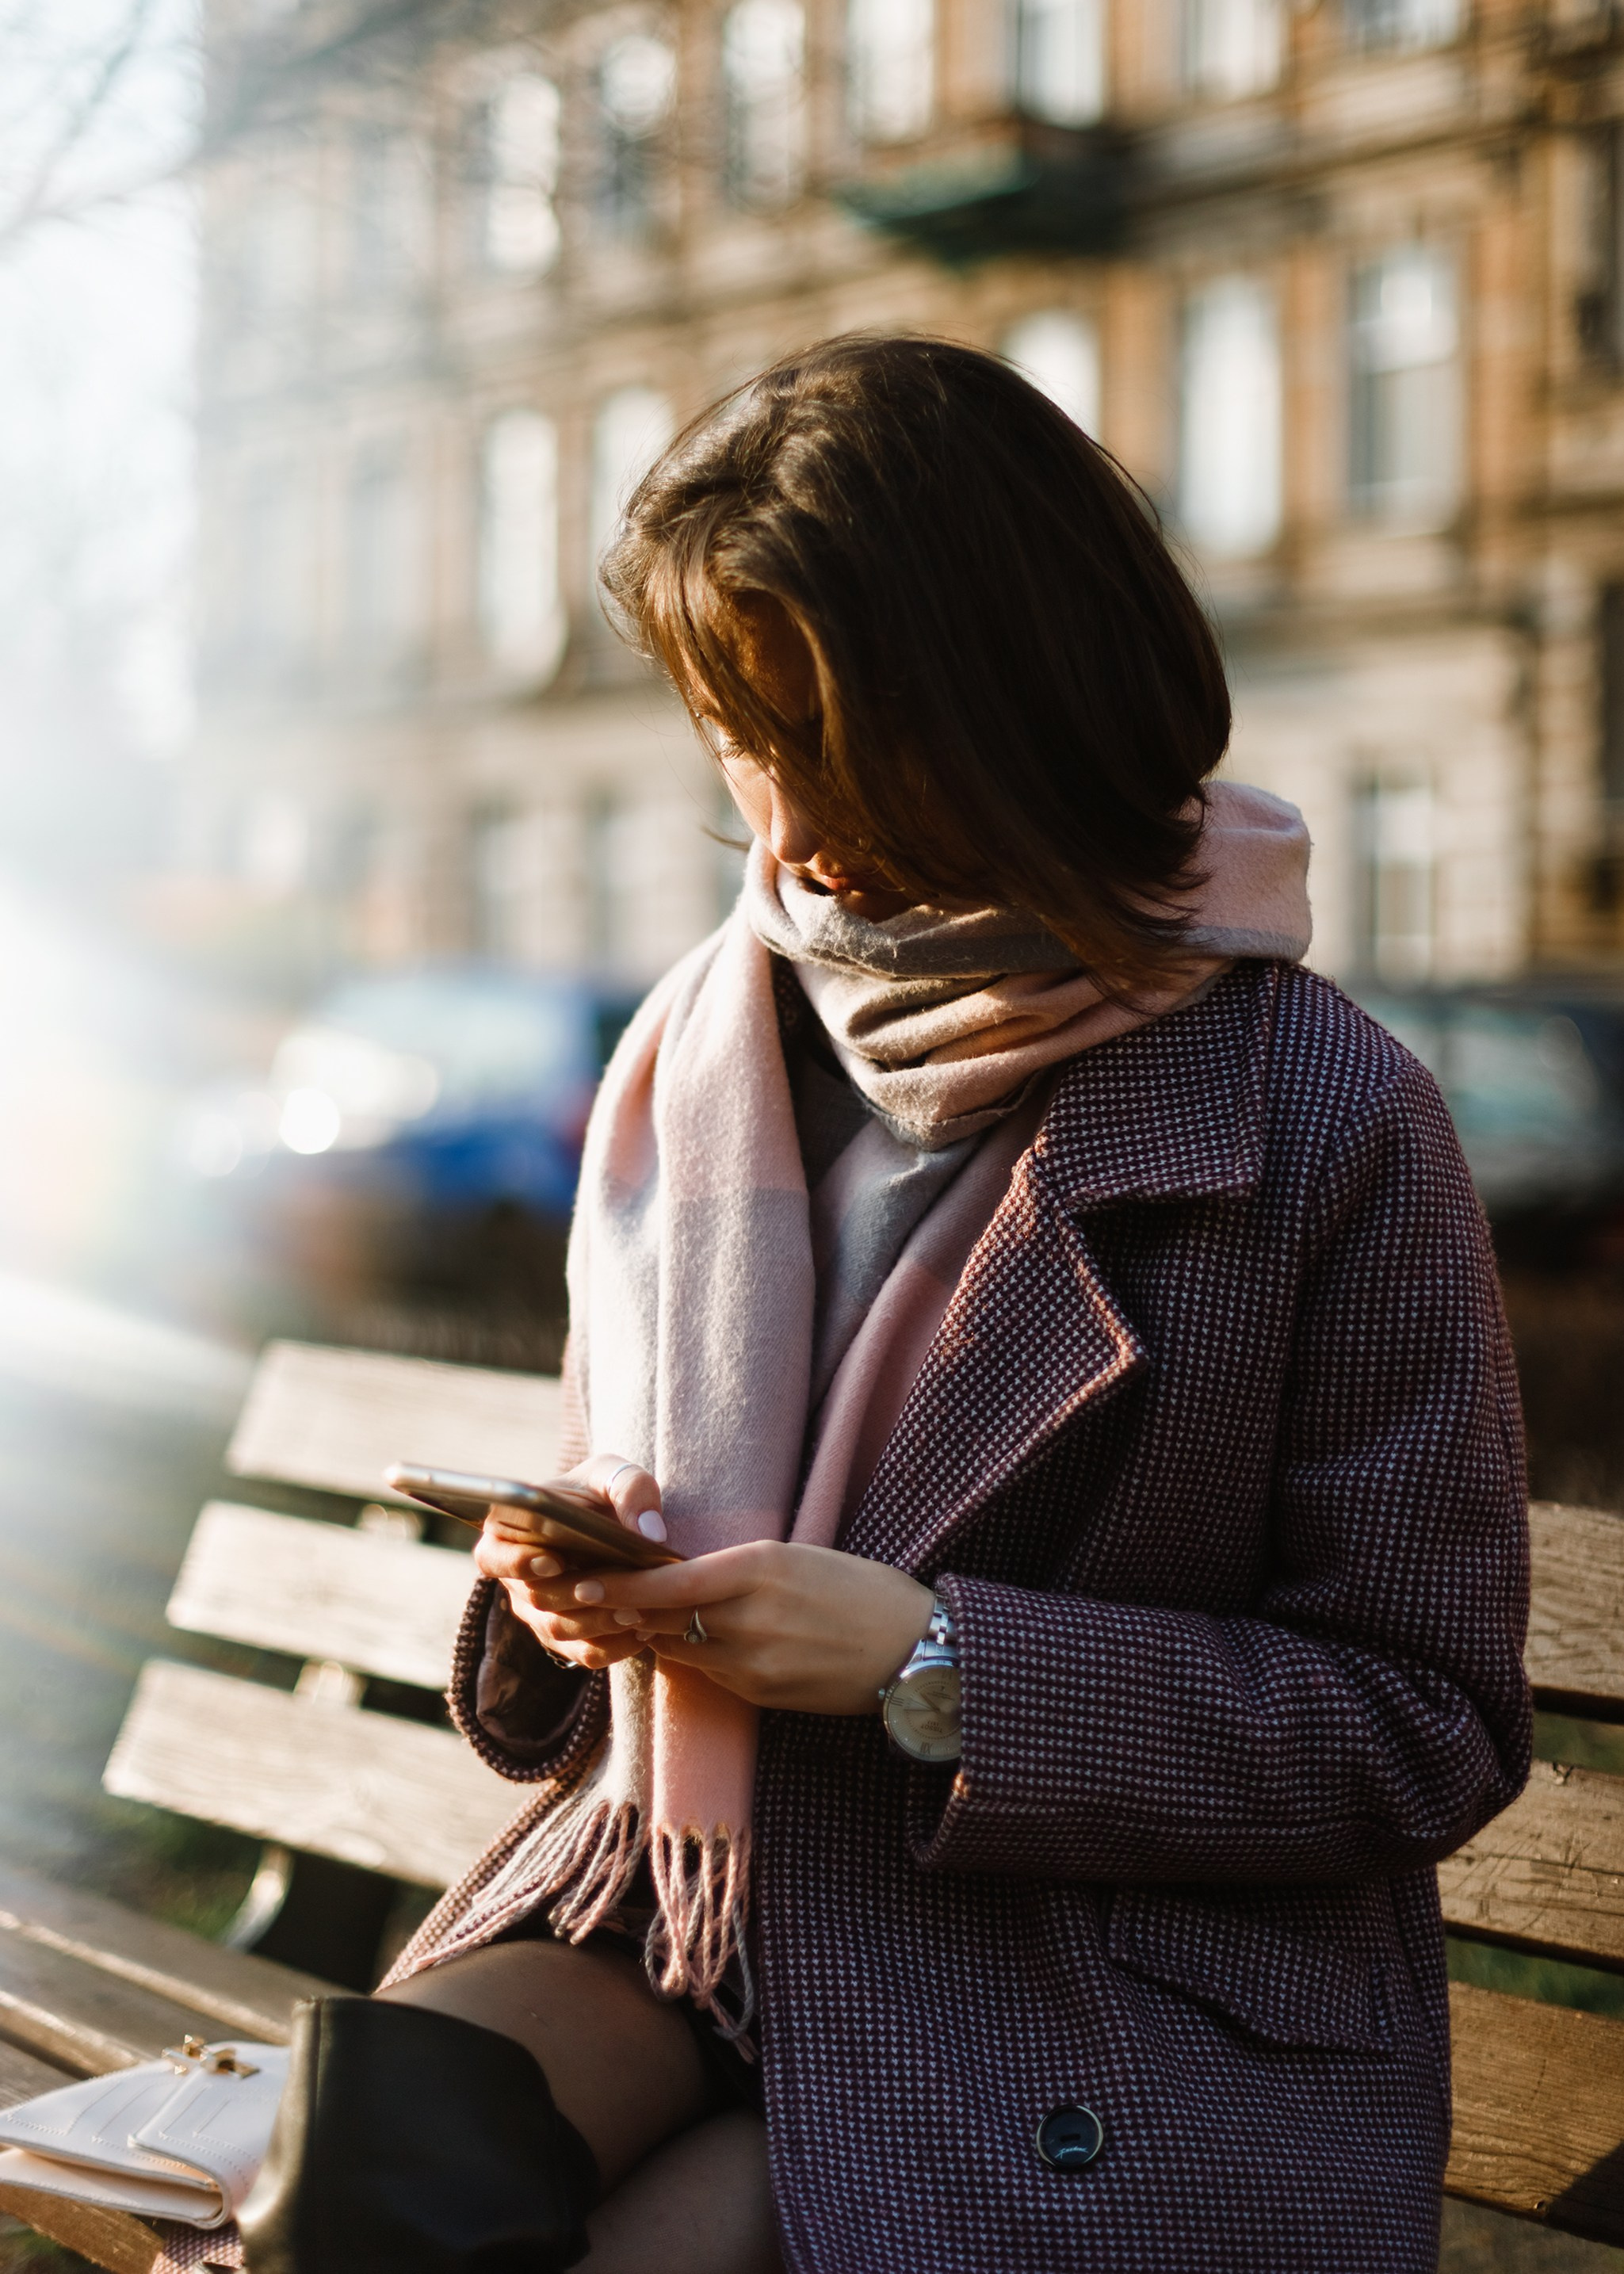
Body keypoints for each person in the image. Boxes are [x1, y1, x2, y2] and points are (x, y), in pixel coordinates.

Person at [235, 335, 1530, 2274]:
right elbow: (630, 1458)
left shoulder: (1323, 1115)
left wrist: (940, 1663)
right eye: (730, 729)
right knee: (356, 2193)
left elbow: (1417, 1725)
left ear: (1006, 694)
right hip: (682, 1902)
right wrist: (577, 1582)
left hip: (1073, 1987)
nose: (775, 809)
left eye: (818, 729)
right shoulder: (700, 1035)